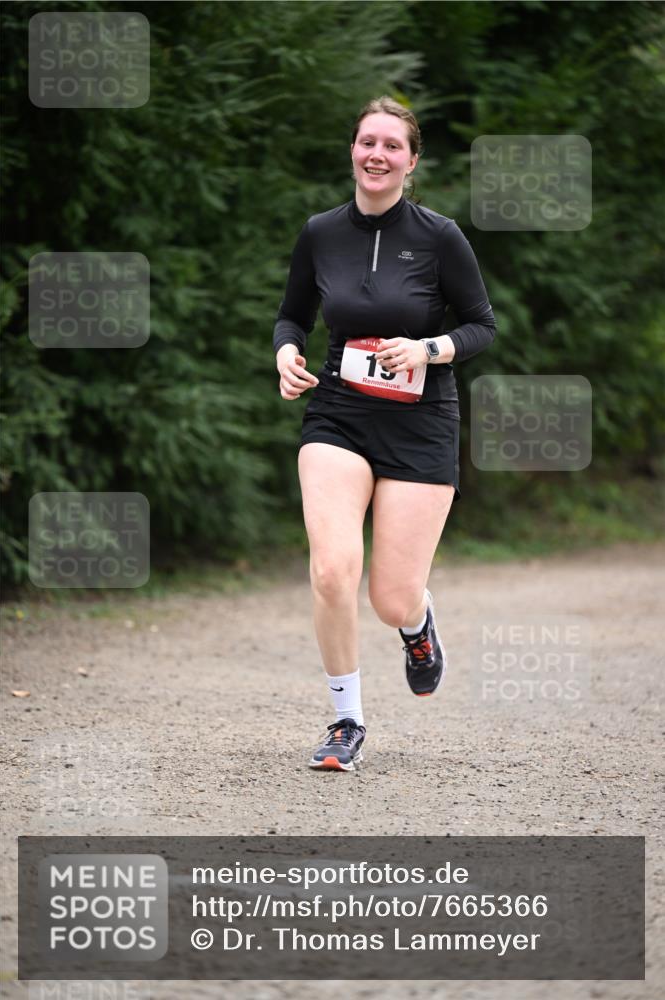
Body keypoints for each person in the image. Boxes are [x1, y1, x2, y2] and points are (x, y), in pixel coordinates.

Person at [273, 96, 496, 771]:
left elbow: (481, 325)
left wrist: (428, 350)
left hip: (421, 421)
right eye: (366, 141)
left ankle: (417, 626)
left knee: (389, 596)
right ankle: (345, 721)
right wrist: (285, 352)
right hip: (338, 415)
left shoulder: (438, 236)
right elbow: (292, 315)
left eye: (391, 145)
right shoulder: (320, 232)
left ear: (411, 160)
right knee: (331, 570)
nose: (376, 154)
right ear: (352, 150)